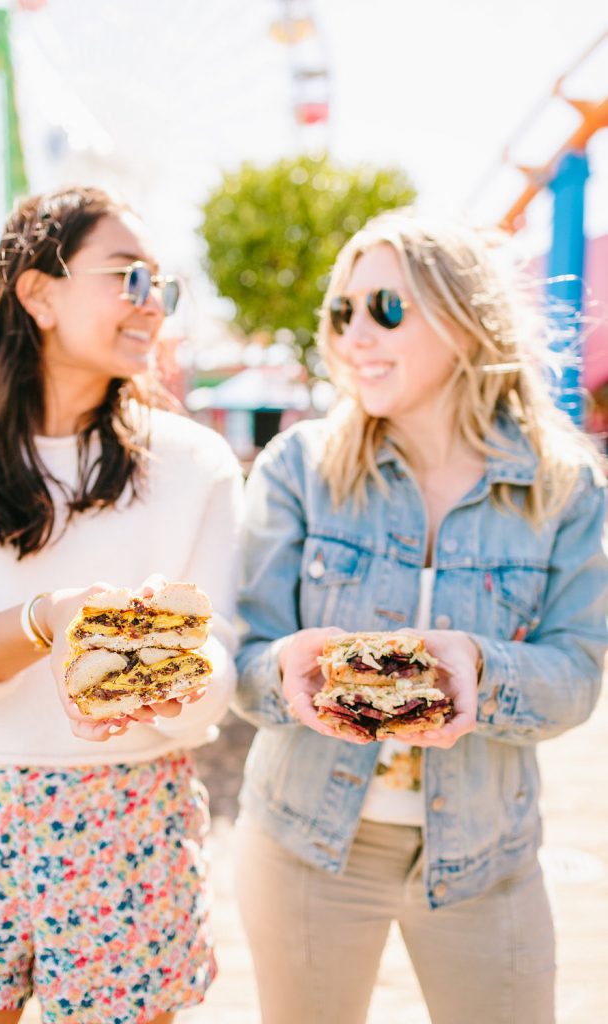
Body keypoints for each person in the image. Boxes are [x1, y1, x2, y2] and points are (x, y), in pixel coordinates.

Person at [233, 210, 608, 1024]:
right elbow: (242, 657)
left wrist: (482, 670)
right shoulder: (297, 468)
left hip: (485, 857)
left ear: (465, 322)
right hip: (303, 843)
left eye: (387, 309)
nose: (356, 334)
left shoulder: (564, 486)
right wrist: (283, 671)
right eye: (343, 312)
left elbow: (578, 677)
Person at [0, 186, 243, 1024]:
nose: (152, 307)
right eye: (127, 277)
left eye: (160, 289)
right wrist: (46, 622)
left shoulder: (195, 465)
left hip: (130, 810)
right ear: (37, 292)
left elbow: (215, 665)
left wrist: (174, 675)